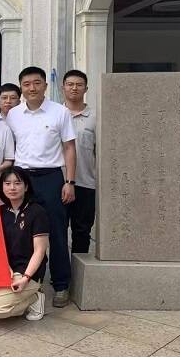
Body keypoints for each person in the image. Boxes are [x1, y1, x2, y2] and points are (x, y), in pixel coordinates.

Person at [5, 66, 77, 308]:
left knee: (57, 231)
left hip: (51, 178)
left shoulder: (60, 112)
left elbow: (69, 147)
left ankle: (61, 284)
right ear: (21, 87)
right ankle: (30, 281)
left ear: (46, 86)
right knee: (23, 232)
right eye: (26, 84)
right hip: (23, 179)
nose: (32, 88)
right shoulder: (13, 114)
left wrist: (69, 182)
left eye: (37, 83)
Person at [0, 167, 47, 321]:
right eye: (7, 183)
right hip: (6, 269)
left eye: (17, 183)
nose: (12, 188)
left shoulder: (37, 212)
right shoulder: (0, 212)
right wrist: (4, 267)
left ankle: (34, 298)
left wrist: (26, 277)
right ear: (2, 187)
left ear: (26, 187)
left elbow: (39, 251)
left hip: (27, 272)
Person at [62, 70, 97, 255]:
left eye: (79, 85)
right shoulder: (56, 114)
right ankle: (61, 271)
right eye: (70, 84)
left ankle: (78, 269)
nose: (74, 88)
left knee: (82, 231)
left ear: (86, 89)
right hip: (58, 182)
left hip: (86, 182)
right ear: (63, 87)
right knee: (57, 230)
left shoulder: (96, 117)